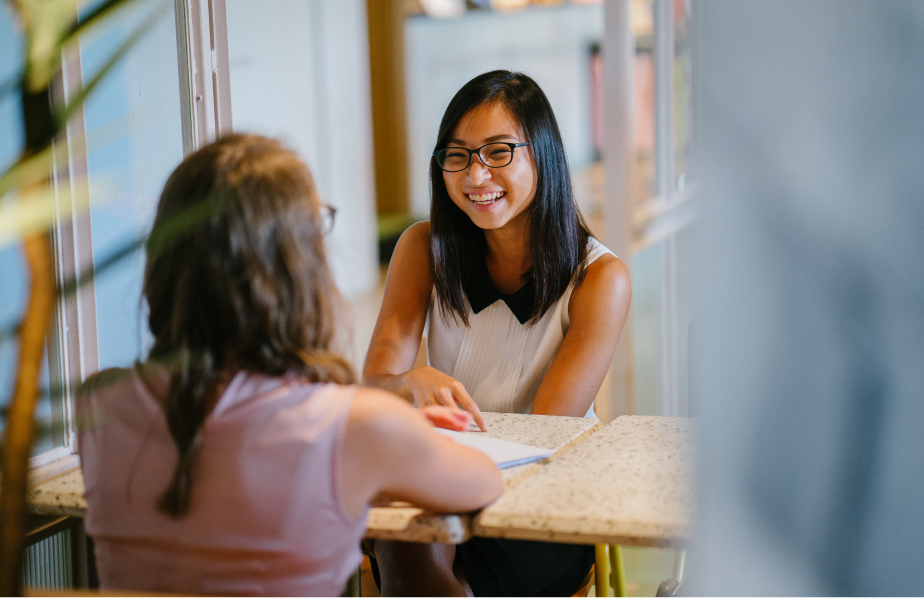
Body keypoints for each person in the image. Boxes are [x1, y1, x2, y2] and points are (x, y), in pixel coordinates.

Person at [77, 134, 503, 597]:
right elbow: (483, 481)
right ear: (295, 265)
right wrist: (394, 443)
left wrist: (382, 446)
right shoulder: (355, 425)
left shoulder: (99, 403)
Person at [363, 71, 631, 597]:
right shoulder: (422, 249)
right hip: (437, 483)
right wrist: (407, 382)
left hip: (543, 502)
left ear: (544, 155)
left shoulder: (598, 279)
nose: (475, 175)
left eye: (498, 152)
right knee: (398, 532)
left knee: (406, 543)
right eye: (457, 155)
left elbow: (543, 437)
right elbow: (372, 387)